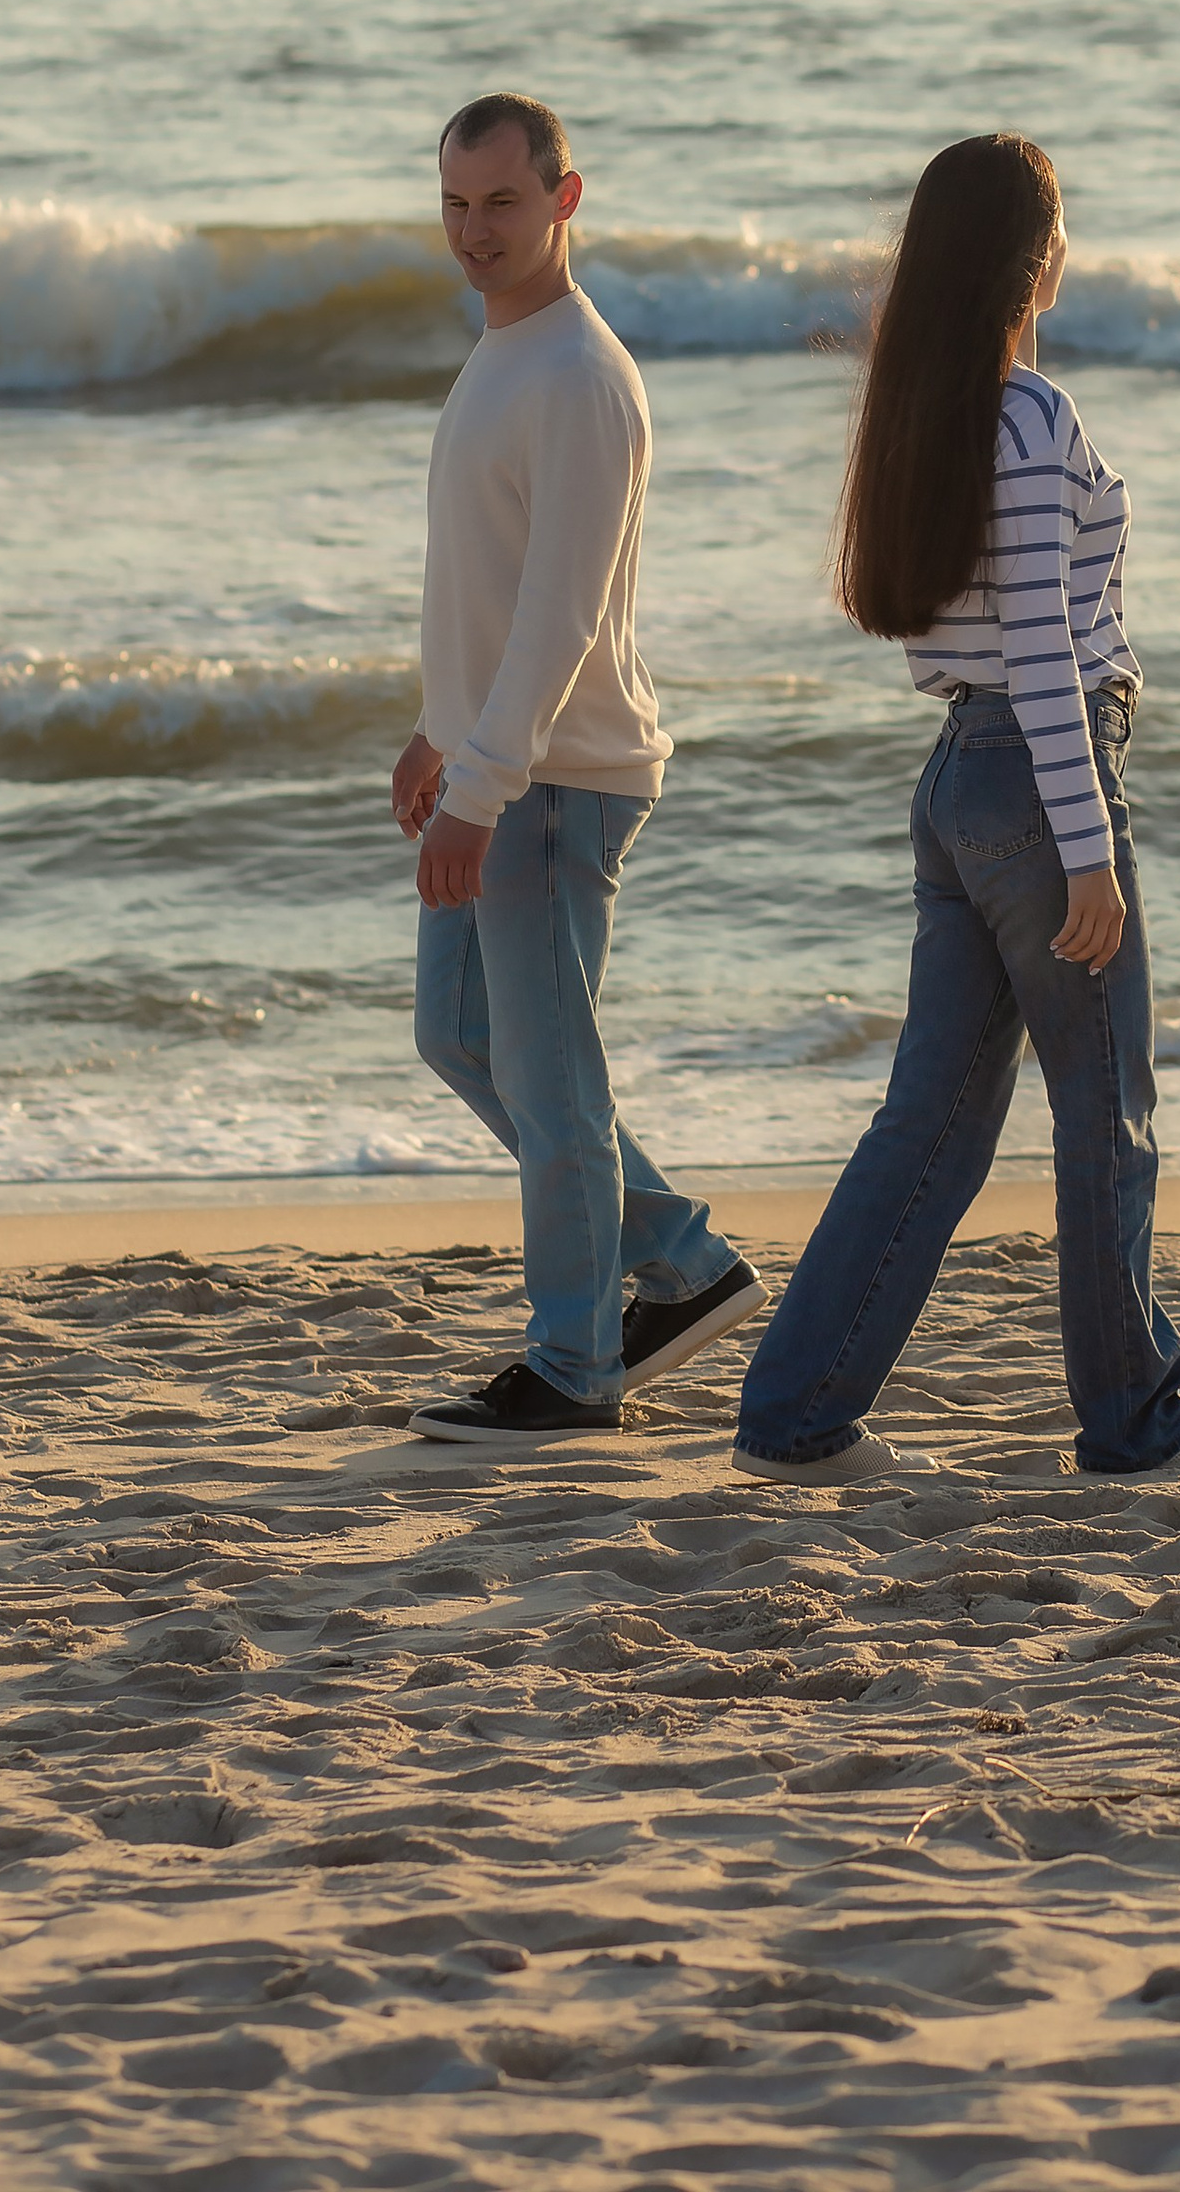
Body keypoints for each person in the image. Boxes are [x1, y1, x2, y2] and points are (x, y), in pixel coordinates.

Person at [734, 133, 1180, 1483]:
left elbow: (959, 634)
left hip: (956, 781)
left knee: (931, 1120)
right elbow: (1043, 643)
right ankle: (1135, 1421)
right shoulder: (1030, 416)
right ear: (1035, 257)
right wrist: (1088, 849)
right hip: (1044, 780)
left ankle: (792, 1411)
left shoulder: (918, 411)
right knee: (1104, 1110)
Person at [394, 90, 763, 1443]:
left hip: (559, 779)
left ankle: (573, 1364)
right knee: (464, 1038)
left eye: (502, 201)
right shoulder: (504, 350)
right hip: (502, 758)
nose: (475, 230)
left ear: (565, 198)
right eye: (455, 202)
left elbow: (563, 616)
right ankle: (685, 1262)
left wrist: (481, 790)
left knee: (553, 1084)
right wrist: (443, 723)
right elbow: (494, 583)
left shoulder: (580, 374)